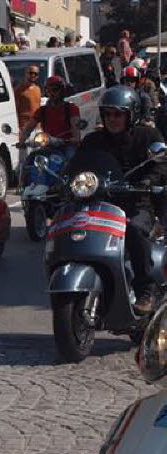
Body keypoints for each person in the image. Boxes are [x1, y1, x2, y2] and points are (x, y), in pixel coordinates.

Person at [75, 85, 167, 312]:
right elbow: (76, 166)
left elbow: (161, 163)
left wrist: (147, 182)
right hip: (100, 204)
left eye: (118, 114)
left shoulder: (148, 136)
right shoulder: (93, 141)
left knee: (134, 229)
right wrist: (66, 181)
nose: (112, 119)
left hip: (137, 204)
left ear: (131, 114)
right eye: (108, 114)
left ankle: (145, 290)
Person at [19, 75, 81, 160]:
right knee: (29, 161)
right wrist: (21, 141)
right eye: (48, 90)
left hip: (66, 146)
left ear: (62, 91)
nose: (51, 93)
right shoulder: (42, 111)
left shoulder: (71, 109)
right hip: (47, 146)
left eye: (55, 90)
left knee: (71, 159)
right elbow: (28, 128)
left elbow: (76, 136)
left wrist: (67, 140)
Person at [14, 64, 42, 130]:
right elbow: (15, 109)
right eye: (31, 73)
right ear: (25, 74)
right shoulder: (19, 90)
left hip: (37, 126)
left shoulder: (38, 89)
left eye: (36, 74)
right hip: (24, 127)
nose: (33, 75)